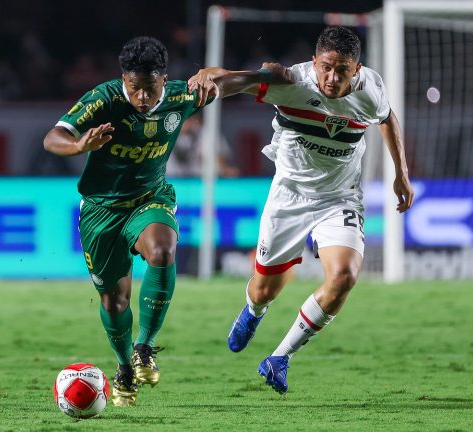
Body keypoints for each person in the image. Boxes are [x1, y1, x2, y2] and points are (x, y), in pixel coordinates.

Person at [188, 26, 414, 394]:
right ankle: (253, 311)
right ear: (314, 62)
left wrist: (401, 174)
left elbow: (387, 118)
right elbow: (236, 81)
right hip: (289, 197)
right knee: (264, 290)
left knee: (344, 277)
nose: (332, 77)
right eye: (326, 67)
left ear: (356, 70)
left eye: (342, 69)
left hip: (339, 197)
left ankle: (279, 358)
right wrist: (208, 76)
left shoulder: (370, 90)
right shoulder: (292, 82)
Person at [43, 36, 219, 407]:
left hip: (149, 199)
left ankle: (144, 348)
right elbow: (52, 137)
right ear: (123, 79)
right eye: (134, 88)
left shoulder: (179, 97)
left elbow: (230, 84)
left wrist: (221, 75)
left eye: (150, 88)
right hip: (102, 209)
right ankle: (124, 369)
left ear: (164, 79)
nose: (142, 98)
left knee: (162, 250)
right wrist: (78, 146)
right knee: (114, 300)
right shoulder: (104, 99)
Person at [166, 114, 240, 177]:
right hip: (170, 179)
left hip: (198, 181)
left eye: (188, 117)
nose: (185, 122)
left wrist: (224, 169)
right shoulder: (164, 134)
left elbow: (220, 160)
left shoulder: (206, 134)